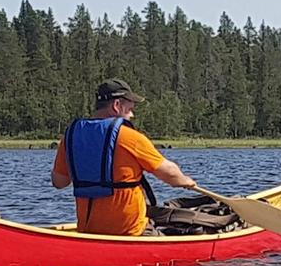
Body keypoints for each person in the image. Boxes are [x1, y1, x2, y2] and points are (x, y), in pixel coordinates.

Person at [52, 79, 199, 236]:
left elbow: (59, 182)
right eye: (129, 109)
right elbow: (170, 174)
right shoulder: (129, 137)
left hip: (89, 231)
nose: (132, 114)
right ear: (116, 106)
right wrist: (186, 181)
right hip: (131, 232)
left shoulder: (71, 136)